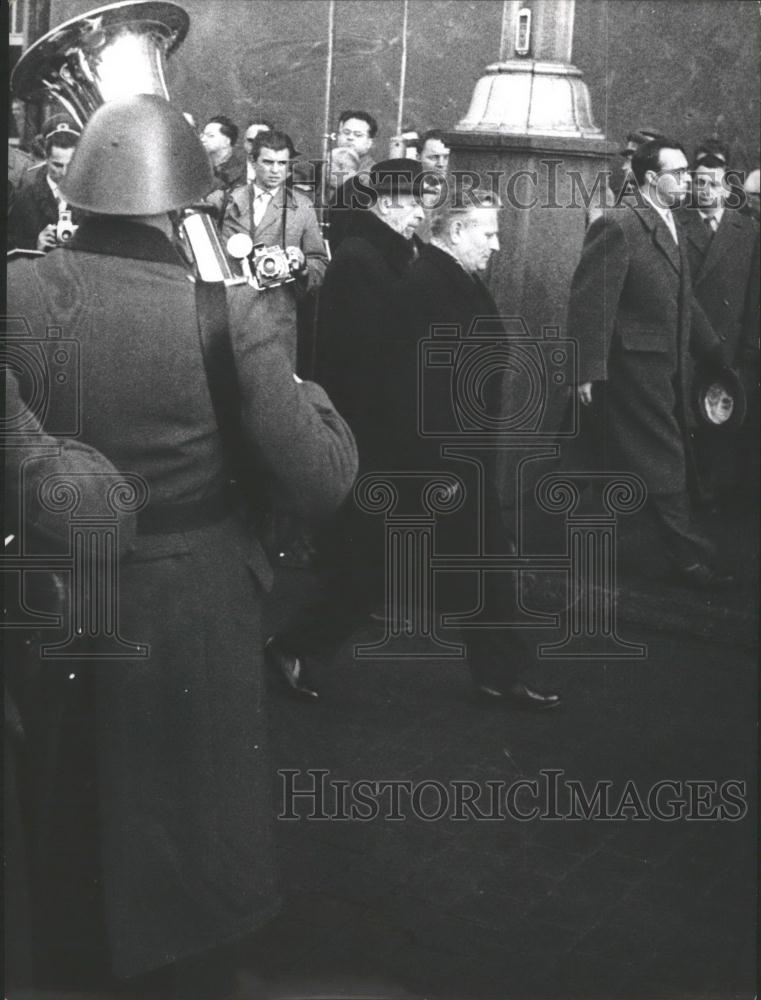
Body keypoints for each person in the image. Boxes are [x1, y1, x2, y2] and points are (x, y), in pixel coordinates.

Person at [6, 94, 357, 1000]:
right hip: (192, 599)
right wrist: (309, 392)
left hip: (56, 588)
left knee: (70, 801)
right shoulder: (226, 313)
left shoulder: (17, 289)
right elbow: (322, 480)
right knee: (187, 826)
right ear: (182, 207)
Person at [390, 192, 561, 710]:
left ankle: (499, 670)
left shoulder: (451, 278)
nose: (497, 244)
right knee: (477, 562)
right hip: (447, 457)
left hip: (456, 454)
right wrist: (445, 463)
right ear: (457, 232)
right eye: (488, 234)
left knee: (476, 562)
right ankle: (501, 671)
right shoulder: (431, 284)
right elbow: (425, 381)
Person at [265, 159, 425, 699]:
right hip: (368, 431)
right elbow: (368, 358)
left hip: (369, 430)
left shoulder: (379, 254)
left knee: (366, 558)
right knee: (371, 560)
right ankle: (291, 646)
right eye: (410, 202)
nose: (420, 213)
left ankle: (299, 641)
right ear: (384, 204)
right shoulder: (366, 261)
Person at [567, 136, 731, 589]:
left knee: (644, 460)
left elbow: (684, 298)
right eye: (678, 173)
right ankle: (691, 559)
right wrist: (585, 371)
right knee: (664, 457)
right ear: (653, 179)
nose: (687, 180)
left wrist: (713, 352)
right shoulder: (620, 224)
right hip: (634, 366)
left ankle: (632, 555)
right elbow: (590, 300)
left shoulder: (667, 220)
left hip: (664, 362)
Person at [676, 141, 760, 507]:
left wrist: (749, 344)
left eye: (713, 183)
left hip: (730, 343)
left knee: (726, 417)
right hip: (692, 341)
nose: (704, 190)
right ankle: (696, 491)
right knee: (691, 418)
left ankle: (721, 491)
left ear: (727, 187)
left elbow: (754, 294)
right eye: (698, 182)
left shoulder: (747, 231)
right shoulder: (678, 225)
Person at [7, 119, 81, 251]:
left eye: (70, 165)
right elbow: (10, 246)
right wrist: (35, 244)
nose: (64, 172)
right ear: (46, 158)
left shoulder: (89, 200)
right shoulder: (25, 199)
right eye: (57, 165)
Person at [199, 114, 247, 222]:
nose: (202, 139)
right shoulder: (199, 168)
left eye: (210, 136)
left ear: (227, 141)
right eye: (202, 135)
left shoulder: (241, 171)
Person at [335, 109, 377, 174]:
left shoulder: (374, 172)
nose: (350, 137)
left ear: (369, 143)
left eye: (358, 135)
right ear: (338, 136)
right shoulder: (324, 167)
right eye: (346, 132)